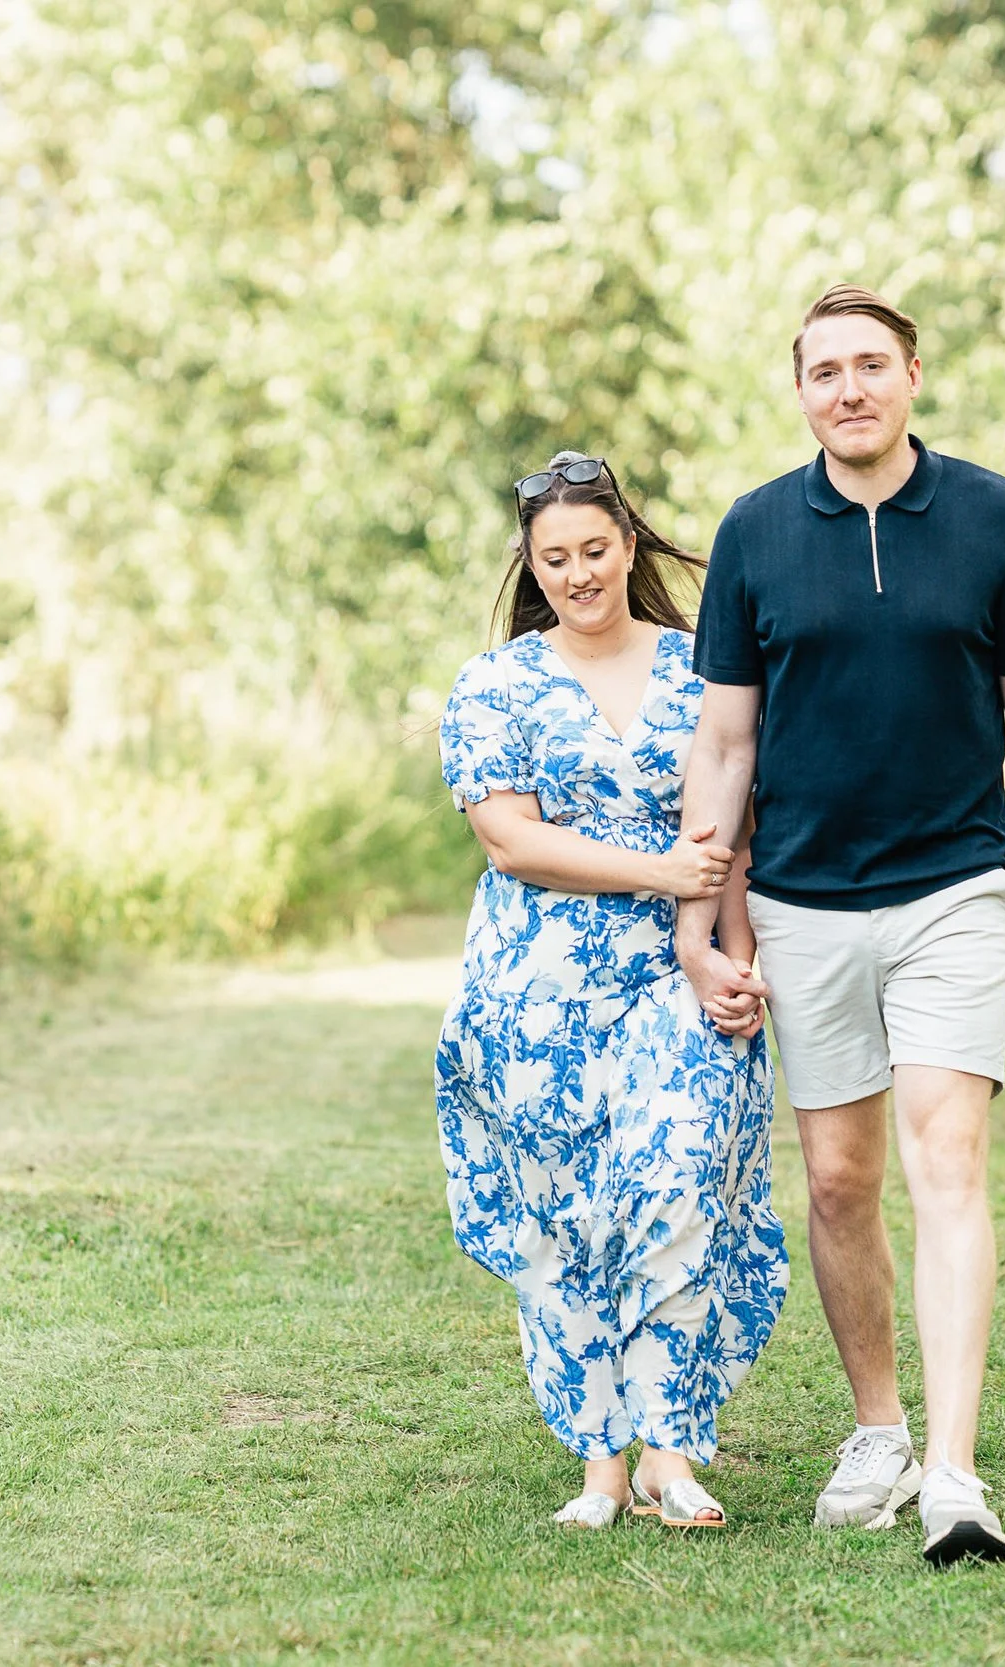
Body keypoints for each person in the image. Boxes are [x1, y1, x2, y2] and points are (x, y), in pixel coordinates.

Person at [676, 286, 1005, 1565]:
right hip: (802, 899)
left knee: (946, 1160)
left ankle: (956, 1477)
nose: (848, 388)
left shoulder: (989, 514)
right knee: (839, 1178)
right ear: (800, 393)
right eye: (824, 371)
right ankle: (879, 1428)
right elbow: (724, 741)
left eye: (871, 364)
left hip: (953, 889)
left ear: (913, 375)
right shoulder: (753, 531)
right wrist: (706, 924)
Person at [435, 451, 790, 1531]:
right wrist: (656, 870)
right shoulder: (493, 683)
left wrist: (737, 953)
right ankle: (598, 1459)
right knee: (568, 1218)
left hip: (675, 968)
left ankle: (671, 1451)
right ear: (529, 566)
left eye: (595, 549)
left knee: (678, 1179)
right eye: (554, 558)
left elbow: (738, 828)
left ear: (629, 546)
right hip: (533, 993)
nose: (578, 573)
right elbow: (509, 838)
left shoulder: (702, 670)